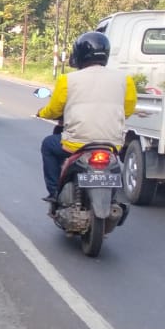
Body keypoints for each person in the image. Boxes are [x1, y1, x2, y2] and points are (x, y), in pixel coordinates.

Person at [36, 31, 138, 202]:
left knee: (48, 145)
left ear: (79, 54)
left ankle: (54, 192)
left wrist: (42, 113)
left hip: (76, 143)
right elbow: (127, 110)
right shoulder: (125, 79)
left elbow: (54, 110)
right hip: (111, 143)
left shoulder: (67, 79)